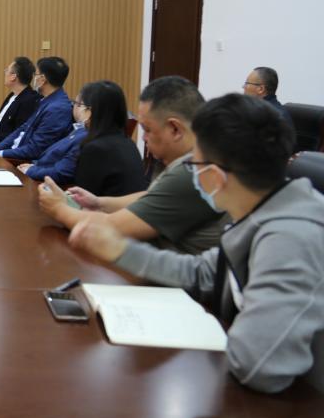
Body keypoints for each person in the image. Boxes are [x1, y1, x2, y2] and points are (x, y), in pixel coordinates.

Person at [67, 94, 324, 394]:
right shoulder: (263, 211)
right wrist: (121, 250)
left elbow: (259, 365)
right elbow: (202, 273)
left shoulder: (291, 238)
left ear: (214, 177)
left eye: (194, 164)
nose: (192, 172)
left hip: (297, 409)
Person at [38, 76, 226, 254]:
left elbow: (109, 228)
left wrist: (59, 208)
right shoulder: (199, 158)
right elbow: (153, 196)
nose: (143, 138)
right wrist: (99, 202)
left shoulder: (193, 171)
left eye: (147, 129)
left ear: (175, 129)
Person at [70, 80, 146, 196]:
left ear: (91, 110)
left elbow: (83, 198)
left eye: (80, 104)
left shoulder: (95, 149)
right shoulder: (129, 143)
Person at [0, 56, 72, 160]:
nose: (34, 78)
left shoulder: (57, 109)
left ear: (42, 79)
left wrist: (2, 153)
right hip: (15, 152)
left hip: (25, 161)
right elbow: (24, 128)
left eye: (36, 75)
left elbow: (35, 149)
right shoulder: (46, 100)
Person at [16, 84, 94, 187]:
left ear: (86, 109)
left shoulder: (85, 136)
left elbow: (62, 172)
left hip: (48, 185)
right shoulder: (78, 130)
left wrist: (30, 171)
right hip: (39, 173)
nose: (73, 107)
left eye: (75, 103)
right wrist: (34, 167)